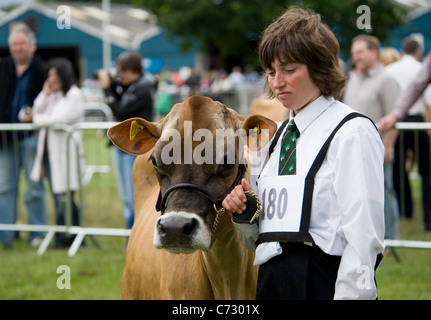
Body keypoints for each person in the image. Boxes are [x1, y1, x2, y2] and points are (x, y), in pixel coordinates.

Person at [222, 7, 384, 300]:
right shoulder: (275, 140)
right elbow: (260, 240)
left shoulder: (352, 131)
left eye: (289, 70)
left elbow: (363, 237)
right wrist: (244, 213)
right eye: (271, 72)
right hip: (272, 282)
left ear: (319, 67)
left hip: (323, 281)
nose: (276, 82)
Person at [343, 35, 400, 241]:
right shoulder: (353, 78)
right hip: (352, 147)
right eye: (353, 53)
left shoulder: (387, 79)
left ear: (374, 52)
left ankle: (391, 239)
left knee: (384, 192)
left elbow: (393, 115)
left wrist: (388, 145)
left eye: (359, 52)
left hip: (377, 147)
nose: (355, 57)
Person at [26, 57, 85, 248]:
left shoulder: (73, 94)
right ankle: (63, 235)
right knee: (57, 195)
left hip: (65, 154)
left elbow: (59, 119)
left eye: (54, 75)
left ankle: (73, 236)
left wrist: (37, 119)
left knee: (65, 197)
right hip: (50, 154)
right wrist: (44, 94)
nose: (50, 79)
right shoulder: (51, 94)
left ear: (63, 75)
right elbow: (36, 109)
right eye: (48, 75)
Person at [0, 22, 47, 249]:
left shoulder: (42, 70)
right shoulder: (4, 67)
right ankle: (6, 235)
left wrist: (37, 118)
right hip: (5, 139)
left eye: (22, 44)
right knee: (5, 187)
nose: (18, 48)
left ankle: (37, 233)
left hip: (31, 138)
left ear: (31, 46)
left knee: (34, 187)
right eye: (14, 44)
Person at [97, 51, 156, 229]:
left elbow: (121, 109)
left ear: (132, 70)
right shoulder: (132, 87)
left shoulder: (144, 89)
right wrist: (112, 86)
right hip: (125, 146)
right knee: (126, 196)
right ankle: (129, 237)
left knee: (134, 196)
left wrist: (107, 88)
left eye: (121, 71)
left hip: (136, 149)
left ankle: (134, 236)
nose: (119, 74)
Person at [381, 39, 431, 230]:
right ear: (418, 52)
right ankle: (428, 219)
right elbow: (427, 97)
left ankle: (405, 210)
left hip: (397, 121)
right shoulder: (420, 66)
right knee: (426, 171)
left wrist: (394, 114)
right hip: (416, 119)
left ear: (402, 51)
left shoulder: (390, 70)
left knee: (399, 170)